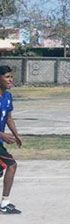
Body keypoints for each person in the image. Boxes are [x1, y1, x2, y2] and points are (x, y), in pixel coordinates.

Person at [0, 65, 23, 214]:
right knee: (12, 165)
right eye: (7, 77)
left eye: (11, 77)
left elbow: (8, 117)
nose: (10, 80)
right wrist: (2, 135)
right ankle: (4, 203)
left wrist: (16, 135)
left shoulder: (7, 96)